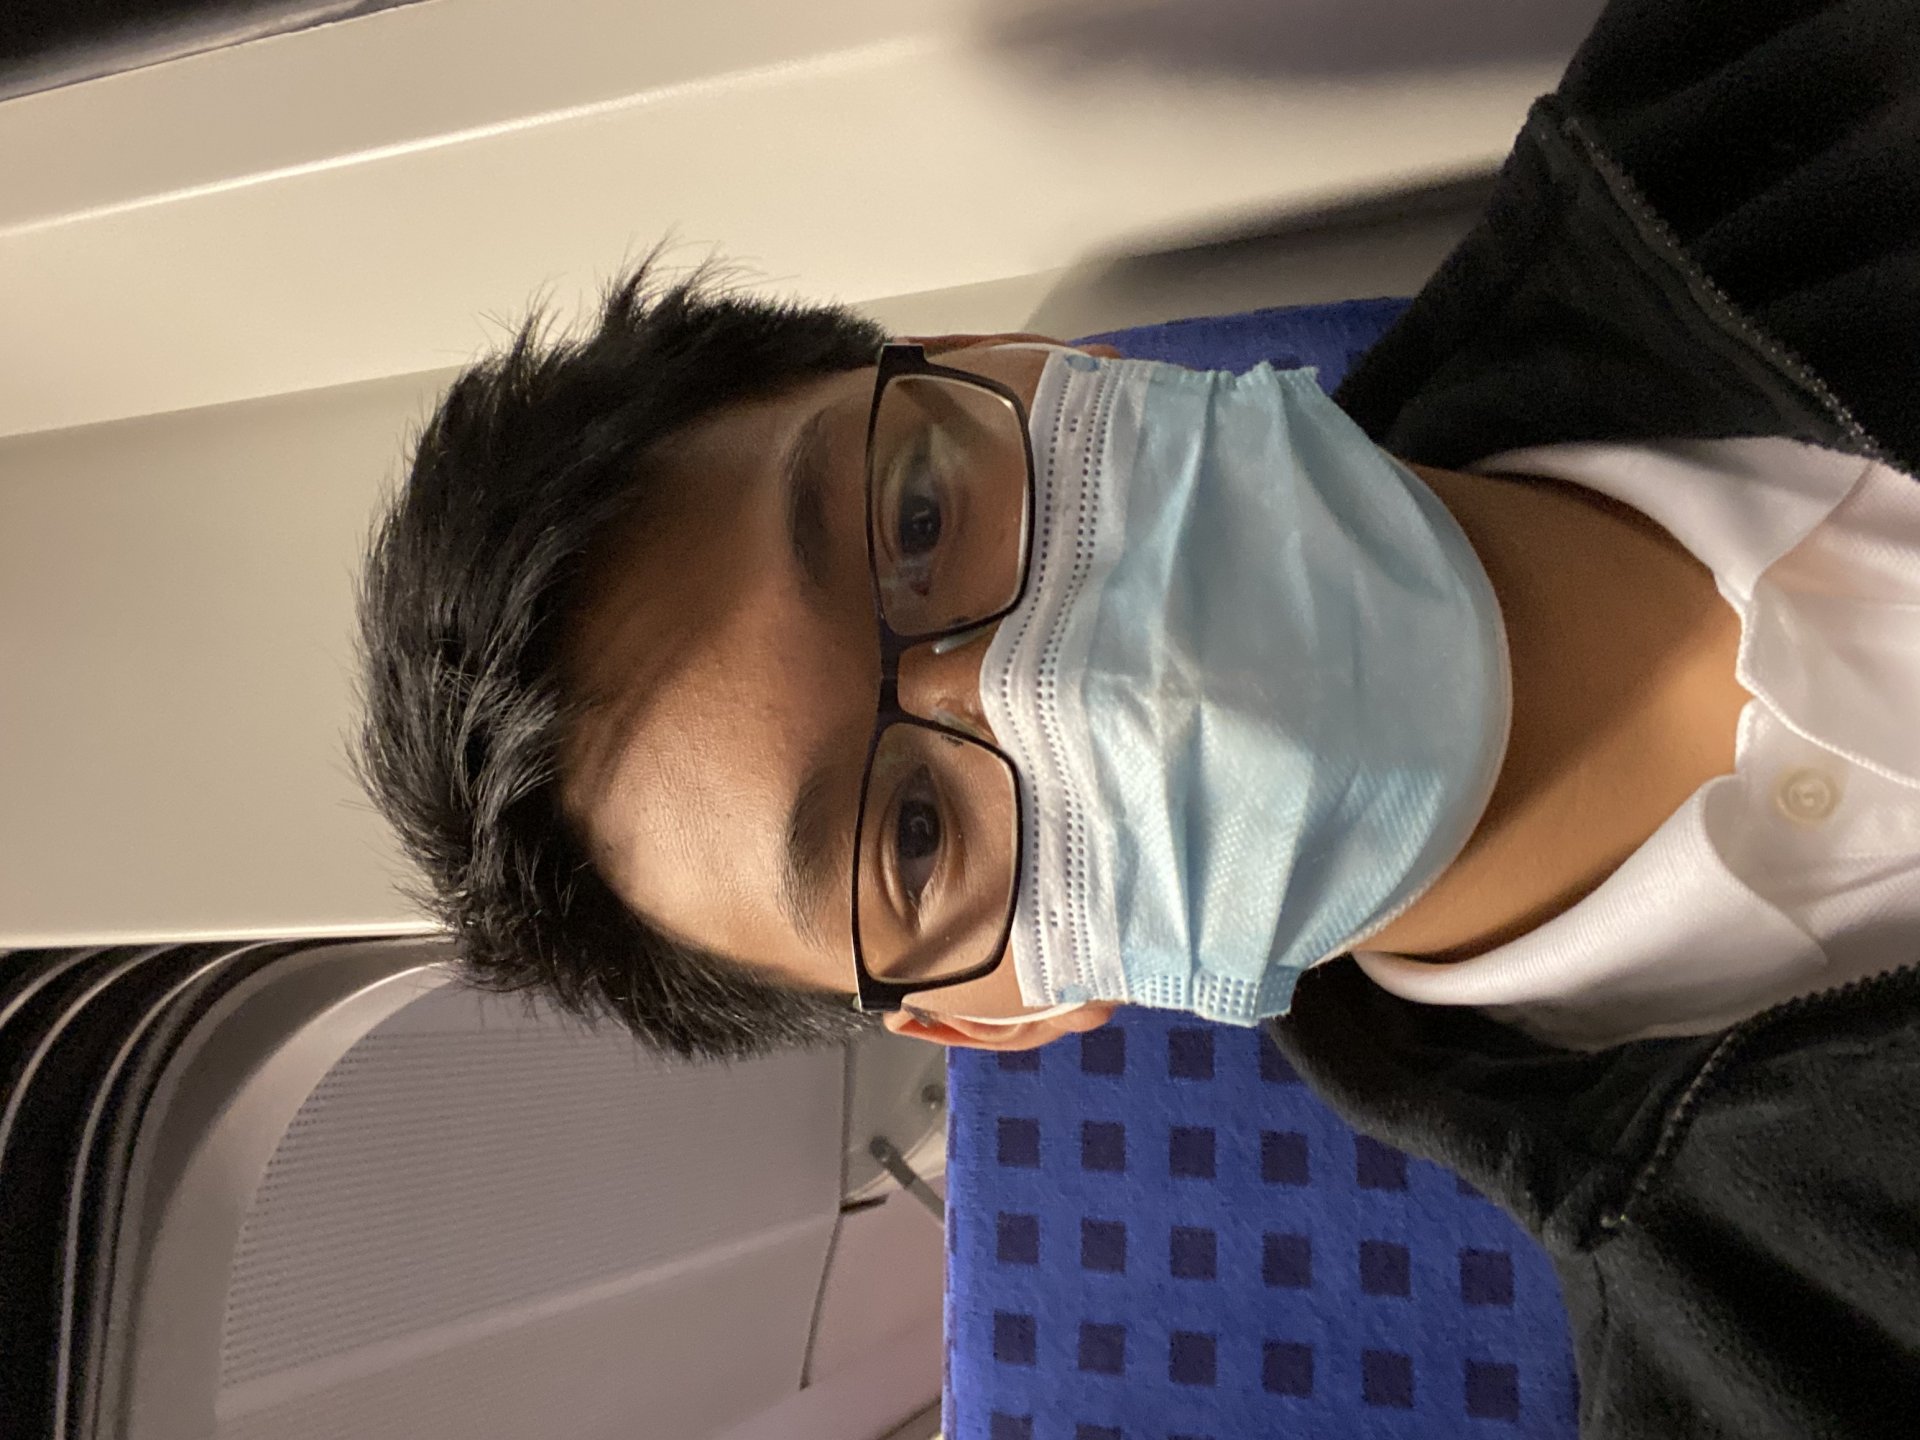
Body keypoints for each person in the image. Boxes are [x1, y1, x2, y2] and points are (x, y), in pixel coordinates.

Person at [354, 0, 1919, 1433]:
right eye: (914, 836)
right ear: (995, 1017)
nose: (1057, 683)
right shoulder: (1785, 1372)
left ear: (1012, 364)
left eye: (916, 523)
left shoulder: (1765, 68)